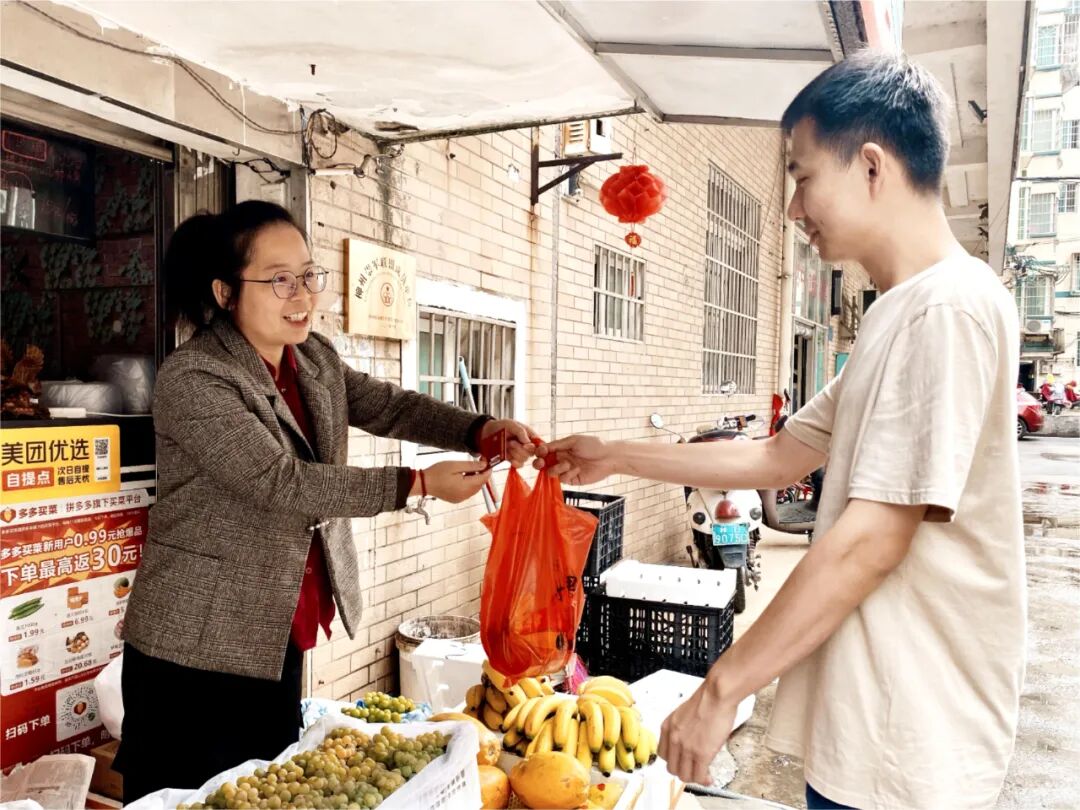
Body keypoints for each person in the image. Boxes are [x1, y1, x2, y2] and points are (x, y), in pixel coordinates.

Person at [538, 51, 1024, 810]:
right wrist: (613, 455)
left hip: (914, 734)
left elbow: (872, 538)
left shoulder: (945, 310)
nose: (795, 207)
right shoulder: (900, 312)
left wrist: (720, 689)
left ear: (871, 166)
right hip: (874, 722)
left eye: (803, 176)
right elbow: (777, 455)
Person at [116, 201, 537, 801]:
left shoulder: (312, 358)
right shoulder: (195, 377)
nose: (302, 295)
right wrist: (416, 484)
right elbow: (281, 482)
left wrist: (480, 429)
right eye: (279, 280)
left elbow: (390, 406)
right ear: (225, 292)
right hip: (194, 644)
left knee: (267, 786)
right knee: (184, 795)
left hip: (274, 628)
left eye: (308, 275)